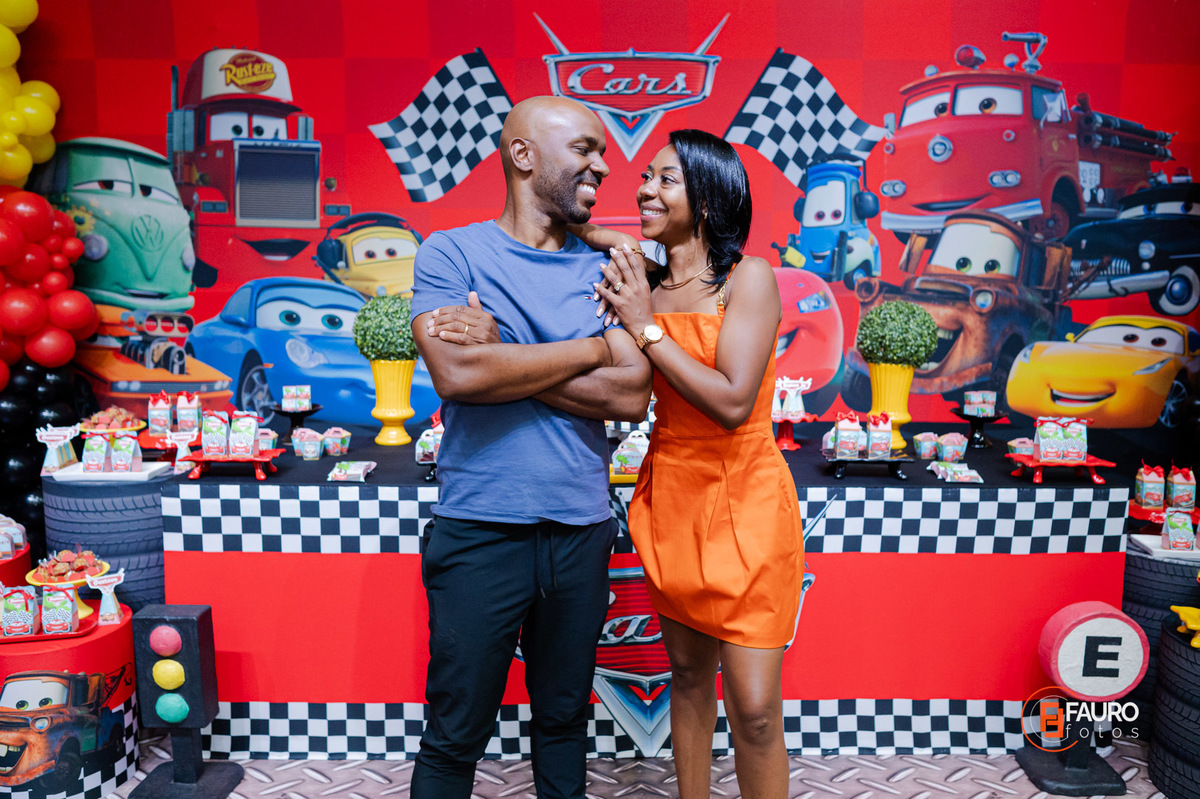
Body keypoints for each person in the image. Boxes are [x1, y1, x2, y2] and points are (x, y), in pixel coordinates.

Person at [406, 96, 651, 798]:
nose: (604, 166)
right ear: (522, 155)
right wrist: (592, 348)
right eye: (584, 148)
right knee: (454, 734)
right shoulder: (452, 252)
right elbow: (459, 376)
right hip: (480, 527)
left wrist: (506, 351)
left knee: (565, 722)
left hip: (581, 528)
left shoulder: (609, 268)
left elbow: (630, 396)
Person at [591, 129, 805, 798]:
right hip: (673, 498)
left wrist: (644, 326)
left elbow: (734, 402)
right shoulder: (647, 284)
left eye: (665, 179)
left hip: (746, 500)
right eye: (645, 177)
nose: (644, 190)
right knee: (686, 678)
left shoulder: (748, 279)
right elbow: (592, 233)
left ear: (707, 200)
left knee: (756, 709)